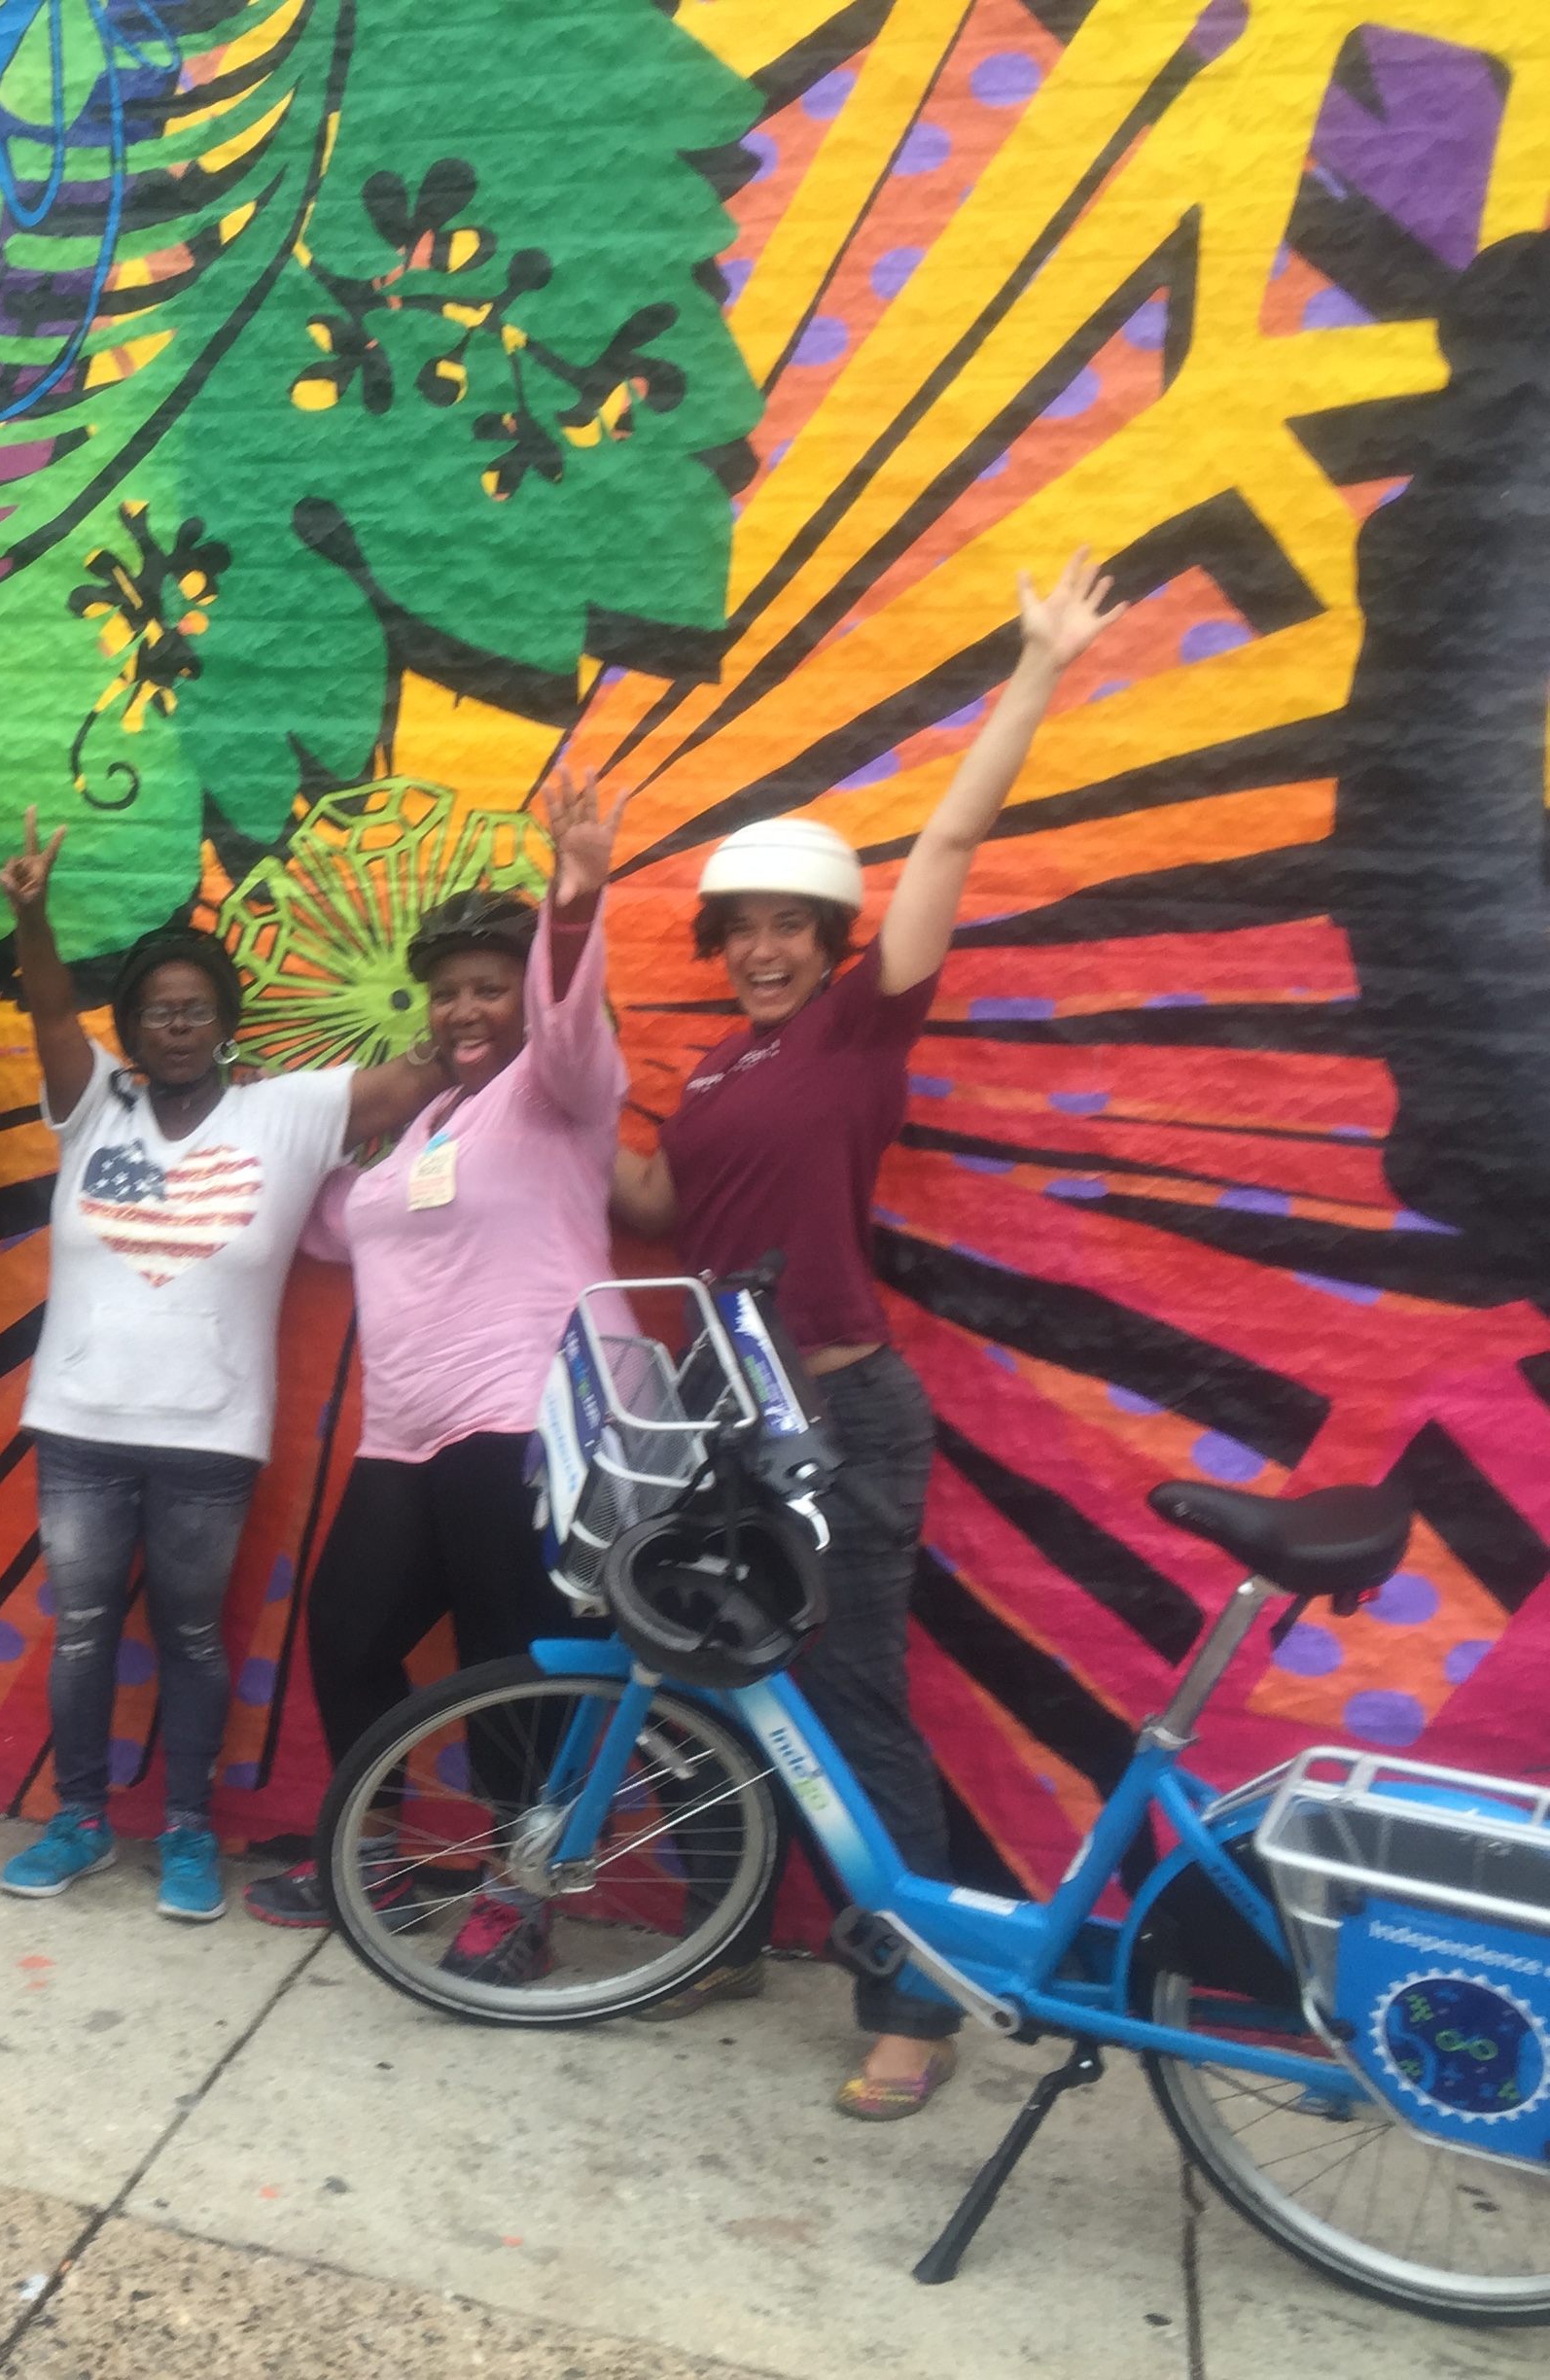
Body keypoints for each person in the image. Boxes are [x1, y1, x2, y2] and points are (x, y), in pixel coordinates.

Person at [610, 551, 1123, 2118]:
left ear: (833, 938)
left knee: (851, 1698)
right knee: (700, 1678)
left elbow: (955, 834)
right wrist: (538, 1090)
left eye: (791, 926)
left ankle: (916, 2001)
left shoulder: (859, 1023)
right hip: (720, 1417)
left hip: (839, 1414)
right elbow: (651, 1205)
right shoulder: (707, 1073)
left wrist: (1036, 665)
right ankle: (720, 1930)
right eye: (741, 929)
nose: (763, 949)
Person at [0, 820, 447, 1920]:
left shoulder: (283, 1113)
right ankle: (80, 1820)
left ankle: (188, 1829)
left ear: (225, 1021)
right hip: (82, 1426)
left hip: (210, 1438)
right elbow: (53, 1012)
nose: (178, 1023)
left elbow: (426, 1074)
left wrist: (507, 988)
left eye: (197, 1007)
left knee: (194, 1638)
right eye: (158, 1008)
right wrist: (31, 914)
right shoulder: (94, 1103)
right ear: (135, 1025)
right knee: (87, 1628)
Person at [237, 767, 633, 1977]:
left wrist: (575, 895)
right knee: (351, 1631)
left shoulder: (557, 1095)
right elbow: (325, 1226)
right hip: (404, 1434)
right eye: (448, 993)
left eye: (487, 989)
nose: (467, 1011)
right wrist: (297, 1118)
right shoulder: (424, 1130)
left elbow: (571, 1023)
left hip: (522, 1415)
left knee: (508, 1667)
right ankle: (384, 1860)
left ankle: (522, 1896)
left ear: (521, 998)